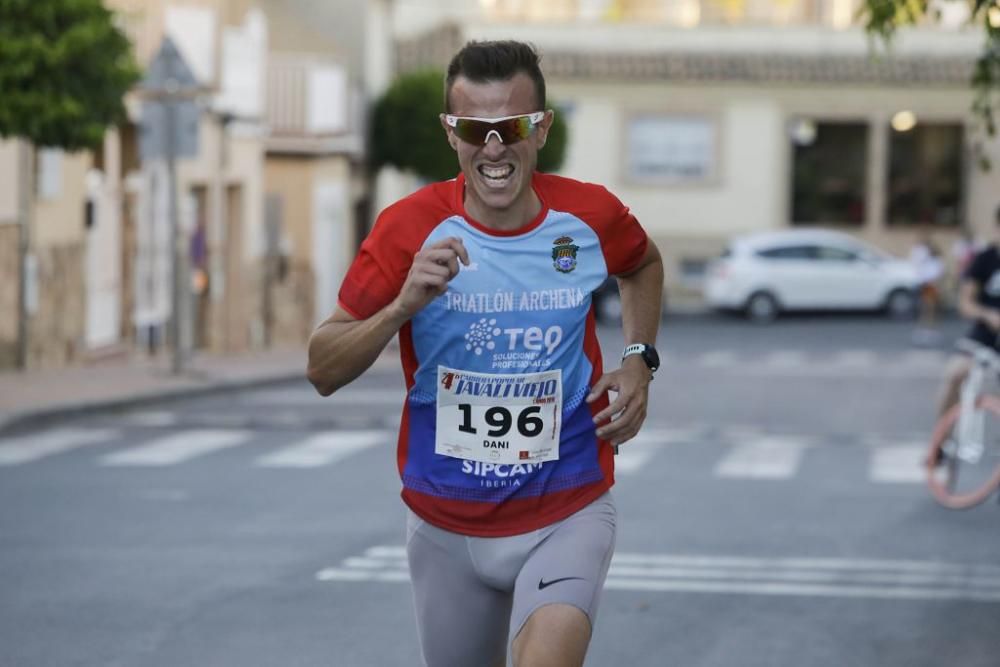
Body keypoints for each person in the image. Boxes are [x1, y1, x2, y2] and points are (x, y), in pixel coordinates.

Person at [306, 40, 663, 666]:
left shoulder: (587, 216)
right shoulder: (407, 228)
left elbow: (643, 264)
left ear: (542, 128)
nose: (493, 148)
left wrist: (638, 358)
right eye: (474, 128)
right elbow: (322, 367)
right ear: (451, 134)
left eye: (512, 127)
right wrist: (401, 307)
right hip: (445, 523)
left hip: (567, 507)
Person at [936, 205, 1000, 426]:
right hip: (985, 334)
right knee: (955, 374)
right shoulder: (985, 259)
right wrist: (988, 315)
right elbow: (965, 303)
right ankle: (942, 439)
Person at [909, 233, 944, 344]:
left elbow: (938, 274)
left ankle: (928, 330)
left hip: (931, 286)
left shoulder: (935, 261)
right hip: (926, 285)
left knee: (930, 309)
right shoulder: (926, 258)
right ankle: (925, 330)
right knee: (927, 309)